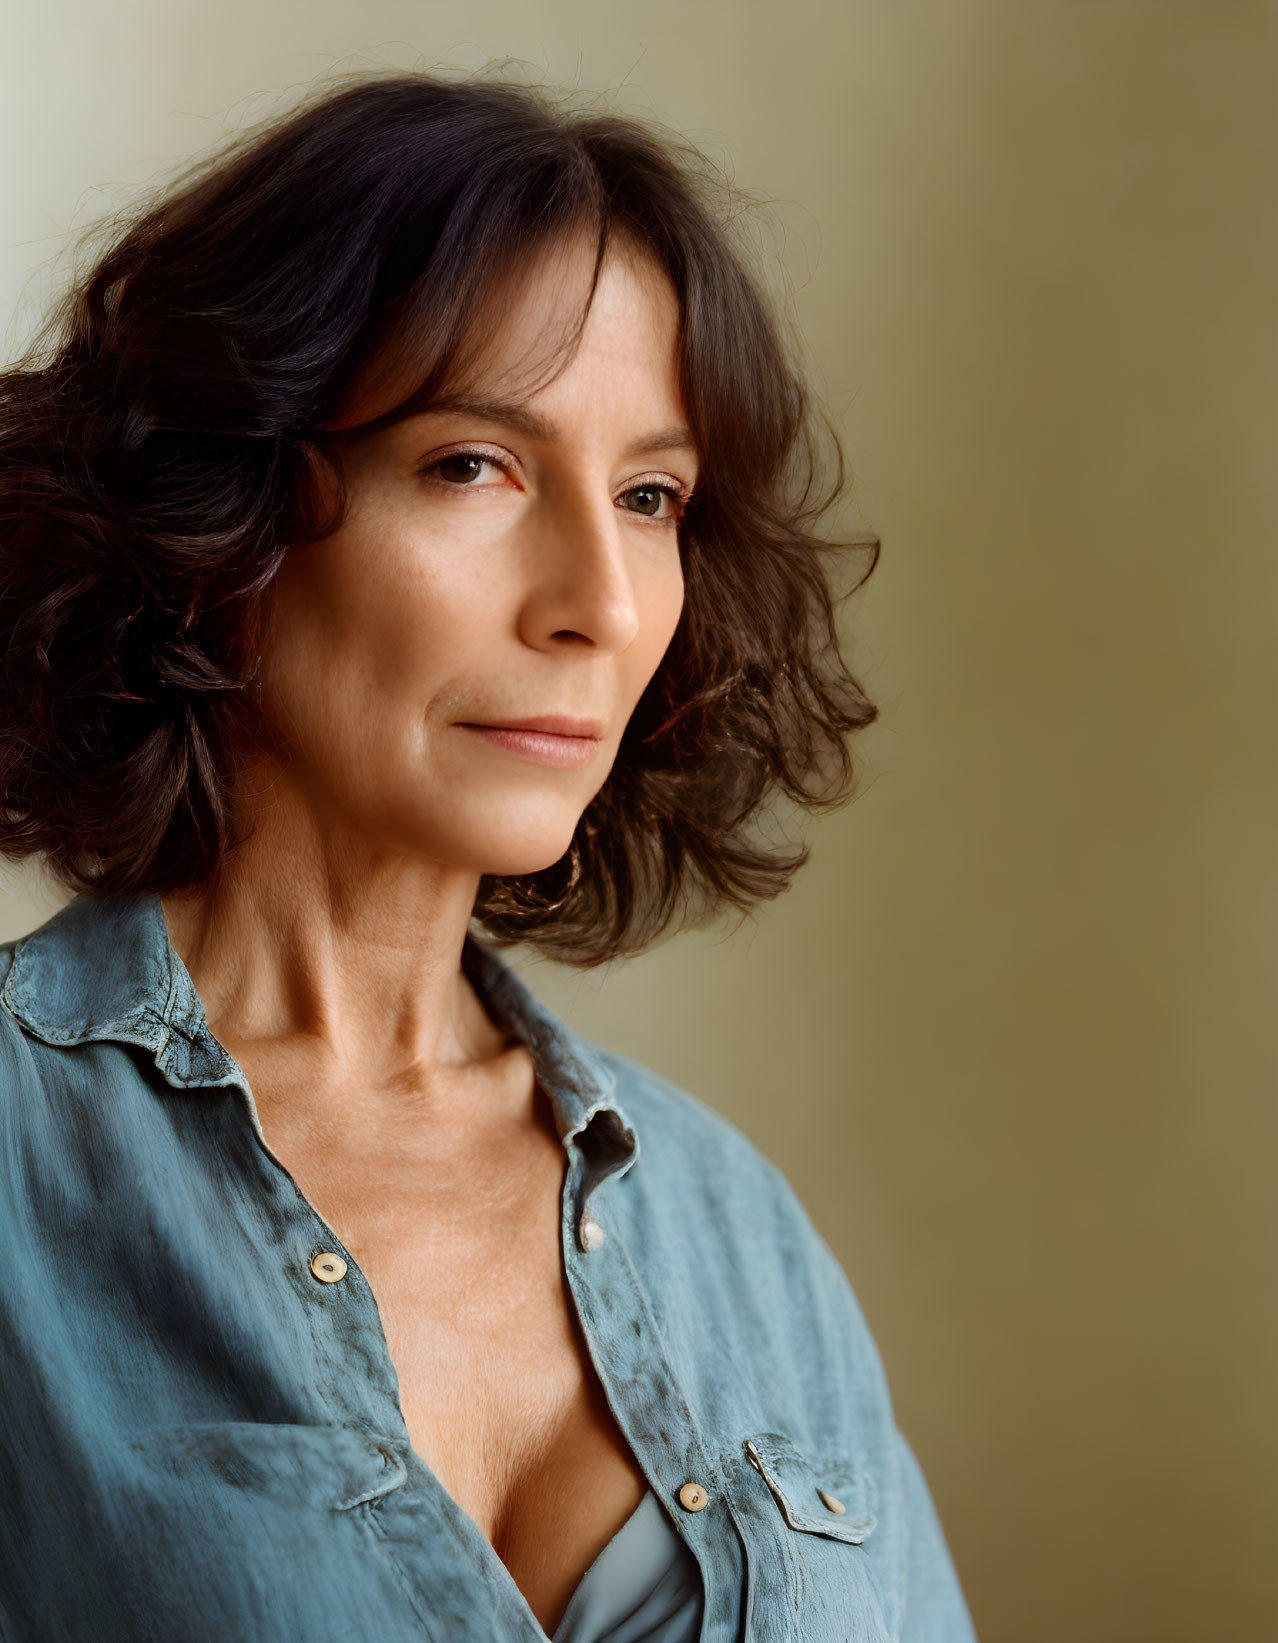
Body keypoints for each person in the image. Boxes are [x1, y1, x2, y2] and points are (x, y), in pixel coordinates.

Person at [0, 70, 977, 1643]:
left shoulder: (736, 1227)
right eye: (475, 465)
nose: (597, 596)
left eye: (651, 495)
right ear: (224, 508)